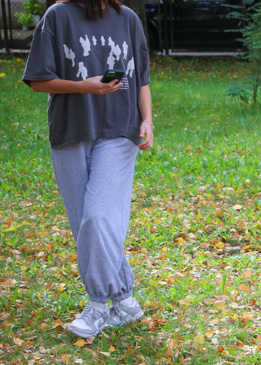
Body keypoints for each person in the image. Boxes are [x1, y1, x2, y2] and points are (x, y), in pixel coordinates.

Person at [22, 0, 153, 338]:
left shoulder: (129, 20)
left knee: (97, 217)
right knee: (85, 225)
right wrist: (86, 86)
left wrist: (148, 120)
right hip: (71, 130)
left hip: (120, 130)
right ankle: (124, 300)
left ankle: (97, 305)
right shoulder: (57, 17)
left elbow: (140, 78)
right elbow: (38, 81)